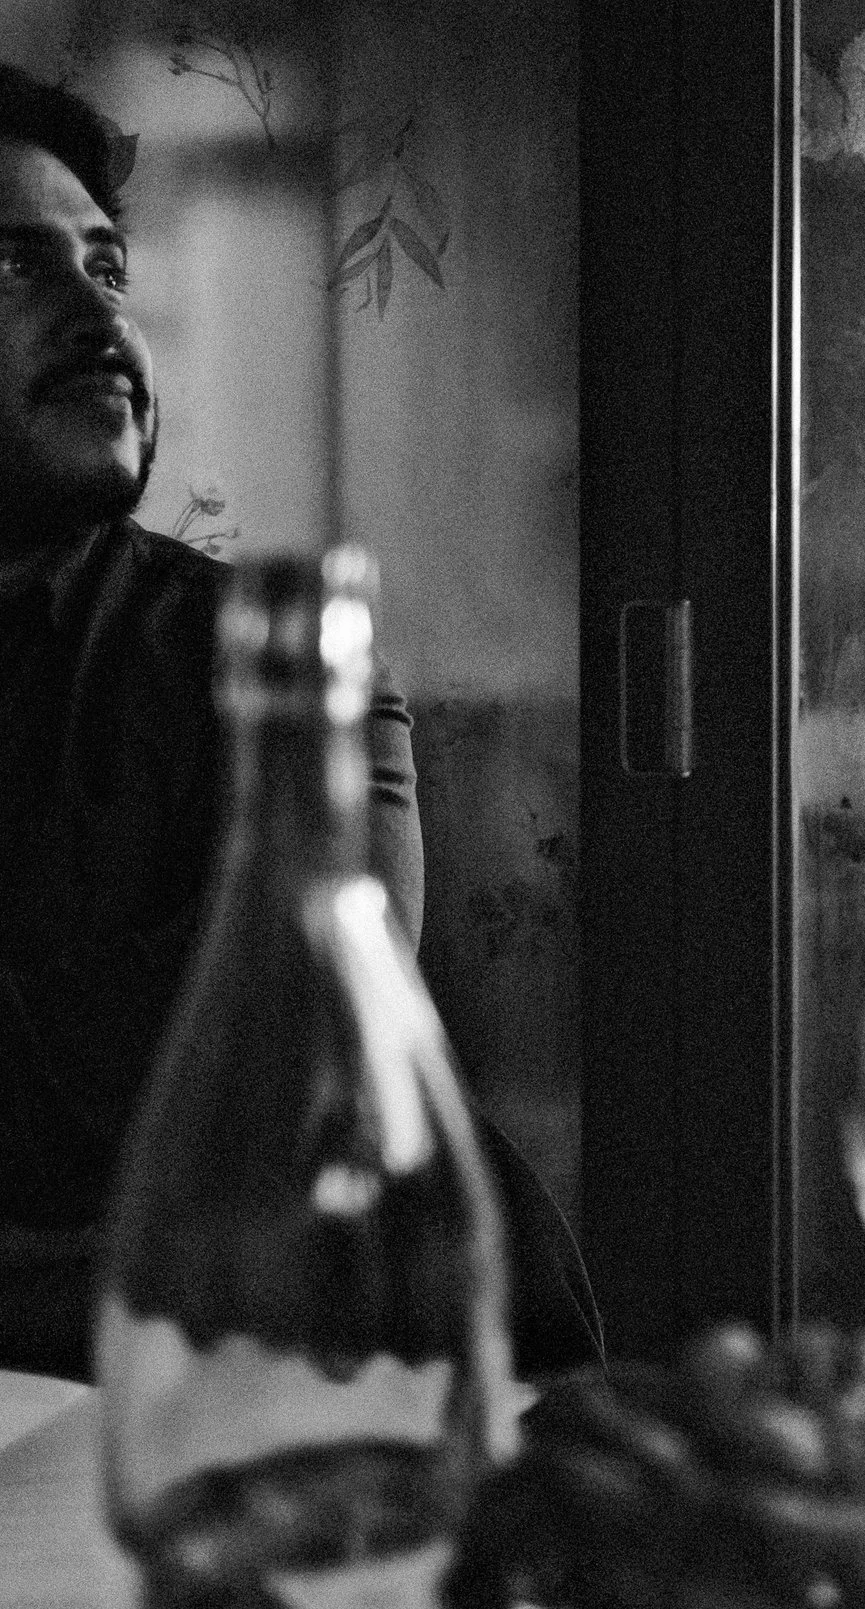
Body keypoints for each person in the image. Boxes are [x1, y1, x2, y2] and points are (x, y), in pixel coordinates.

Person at [0, 63, 591, 1380]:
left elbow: (314, 1117)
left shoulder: (274, 668)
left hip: (329, 1381)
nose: (99, 317)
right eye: (13, 270)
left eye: (104, 269)